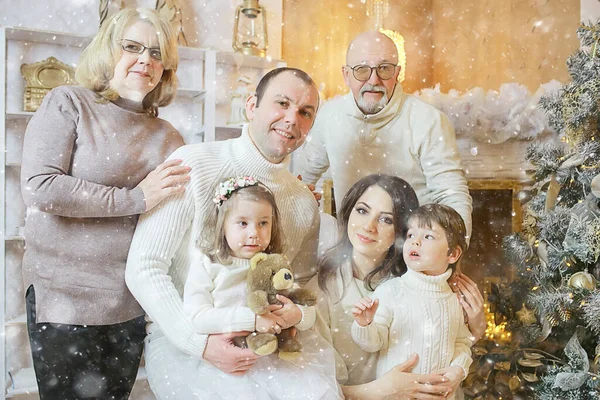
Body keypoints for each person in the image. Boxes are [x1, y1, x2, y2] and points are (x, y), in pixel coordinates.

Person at [125, 67, 324, 398]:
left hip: (264, 339)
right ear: (251, 106)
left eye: (305, 112)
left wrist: (293, 315)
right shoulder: (193, 164)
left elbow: (300, 284)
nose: (292, 119)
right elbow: (144, 267)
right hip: (182, 337)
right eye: (282, 103)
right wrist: (200, 344)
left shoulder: (304, 203)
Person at [20, 7, 188, 399]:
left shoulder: (169, 136)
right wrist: (135, 198)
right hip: (63, 300)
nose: (145, 59)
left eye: (157, 52)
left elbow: (185, 210)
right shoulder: (68, 102)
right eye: (132, 47)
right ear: (108, 51)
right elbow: (41, 187)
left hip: (128, 303)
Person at [307, 174, 485, 399]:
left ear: (401, 231)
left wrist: (474, 333)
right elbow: (309, 388)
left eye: (386, 220)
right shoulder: (321, 291)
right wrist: (381, 389)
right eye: (362, 210)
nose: (368, 226)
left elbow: (448, 341)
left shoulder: (420, 283)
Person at [295, 30, 474, 239]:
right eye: (362, 70)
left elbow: (451, 196)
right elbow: (301, 183)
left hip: (411, 253)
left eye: (384, 69)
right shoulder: (329, 115)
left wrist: (452, 254)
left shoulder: (429, 120)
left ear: (397, 73)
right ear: (346, 75)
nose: (374, 80)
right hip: (353, 249)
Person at [180, 175, 341, 399]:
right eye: (243, 223)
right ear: (223, 225)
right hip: (233, 362)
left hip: (276, 359)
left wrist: (296, 315)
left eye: (263, 223)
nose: (254, 233)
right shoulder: (209, 264)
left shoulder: (273, 263)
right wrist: (254, 320)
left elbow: (305, 308)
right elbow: (197, 317)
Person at [351, 203, 473, 399]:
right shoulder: (391, 291)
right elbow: (373, 344)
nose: (415, 242)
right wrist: (365, 324)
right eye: (411, 235)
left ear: (452, 254)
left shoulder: (453, 299)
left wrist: (459, 368)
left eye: (428, 237)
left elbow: (462, 342)